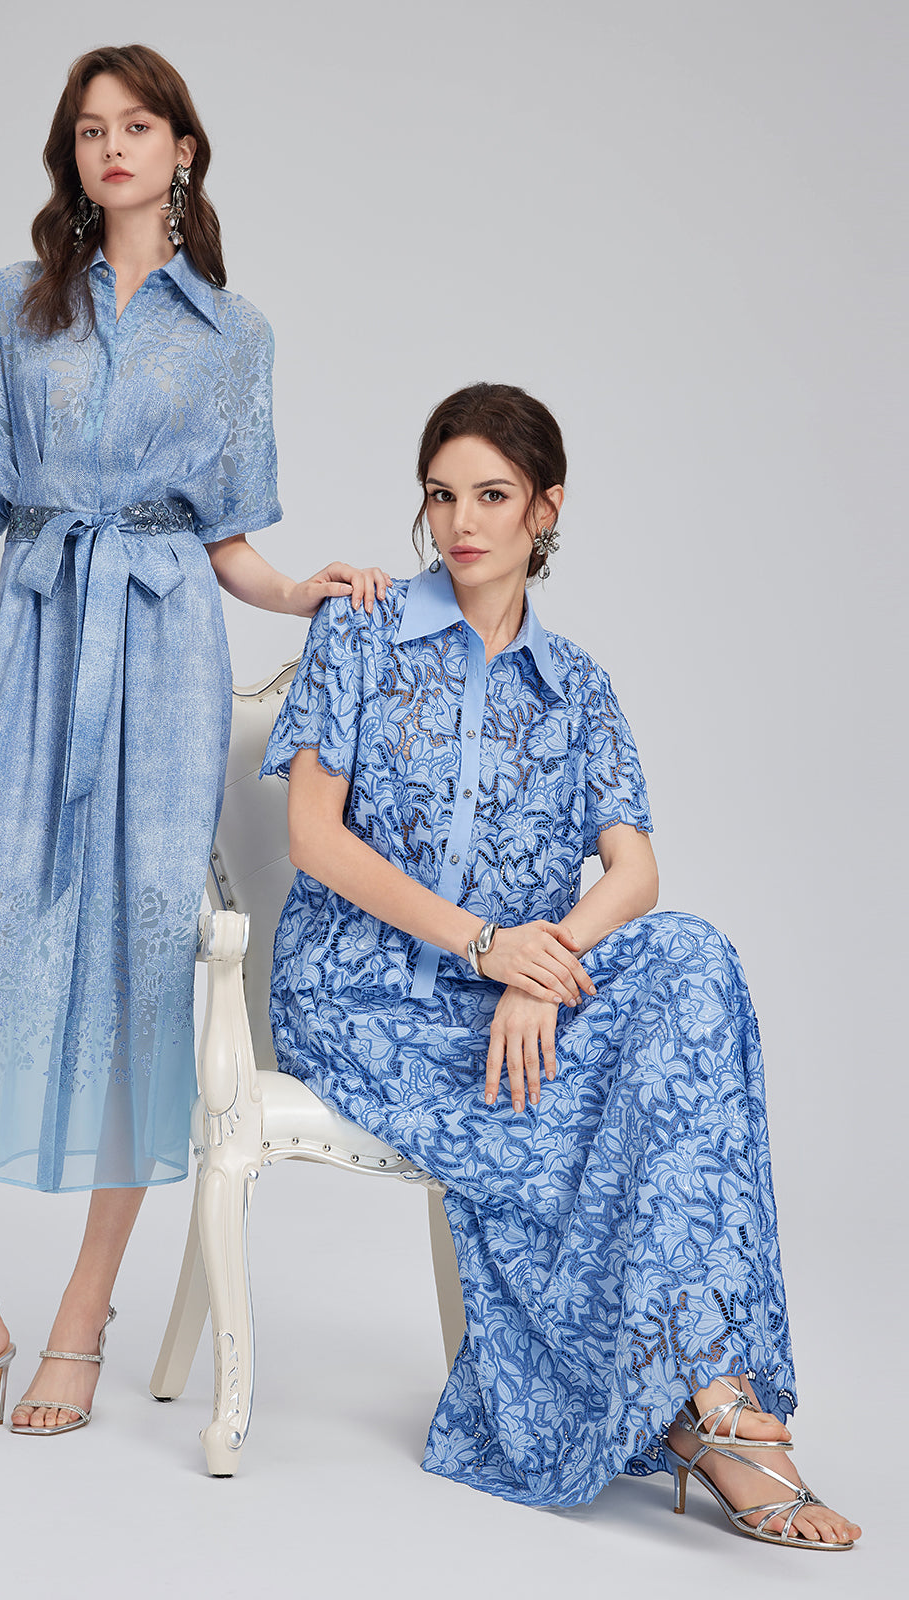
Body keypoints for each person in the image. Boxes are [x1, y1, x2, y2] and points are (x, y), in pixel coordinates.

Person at [0, 44, 388, 1448]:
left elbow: (226, 541)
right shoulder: (12, 306)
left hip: (162, 670)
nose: (112, 147)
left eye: (137, 125)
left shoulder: (235, 336)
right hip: (34, 652)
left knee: (144, 973)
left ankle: (83, 1314)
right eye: (90, 129)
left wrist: (303, 591)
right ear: (73, 157)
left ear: (182, 150)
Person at [260, 383, 860, 1548]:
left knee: (692, 958)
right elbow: (313, 839)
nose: (461, 523)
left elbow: (636, 872)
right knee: (612, 1102)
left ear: (546, 509)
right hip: (362, 997)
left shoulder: (578, 686)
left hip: (505, 993)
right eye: (442, 495)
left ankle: (706, 1392)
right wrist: (491, 948)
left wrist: (544, 965)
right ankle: (704, 1412)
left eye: (492, 496)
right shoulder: (361, 632)